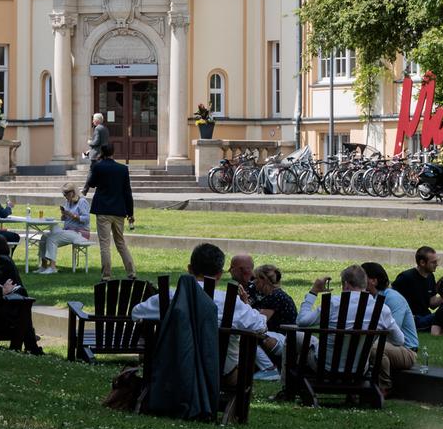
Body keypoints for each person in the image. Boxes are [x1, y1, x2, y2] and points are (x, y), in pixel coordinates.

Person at [131, 243, 282, 375]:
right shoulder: (229, 301)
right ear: (219, 274)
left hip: (174, 369)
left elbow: (136, 313)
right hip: (220, 372)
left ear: (190, 269)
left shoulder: (169, 297)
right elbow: (260, 326)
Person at [299, 266, 411, 395]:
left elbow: (302, 321)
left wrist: (313, 291)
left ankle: (287, 388)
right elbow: (399, 340)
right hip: (359, 369)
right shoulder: (381, 309)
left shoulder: (332, 303)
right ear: (365, 284)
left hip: (324, 367)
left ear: (346, 284)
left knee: (296, 338)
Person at [84, 141, 135, 279]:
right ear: (113, 152)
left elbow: (92, 183)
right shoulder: (122, 169)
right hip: (119, 210)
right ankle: (131, 272)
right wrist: (130, 213)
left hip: (103, 210)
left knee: (105, 244)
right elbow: (127, 192)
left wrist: (96, 165)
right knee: (121, 243)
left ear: (102, 152)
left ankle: (106, 275)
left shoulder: (98, 167)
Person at [362, 261, 421, 356]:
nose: (359, 281)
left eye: (362, 278)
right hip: (385, 344)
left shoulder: (393, 298)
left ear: (373, 281)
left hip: (406, 348)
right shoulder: (370, 298)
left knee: (369, 348)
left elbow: (393, 334)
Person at [35, 184, 91, 275]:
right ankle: (44, 266)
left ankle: (52, 267)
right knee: (44, 237)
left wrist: (72, 215)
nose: (65, 196)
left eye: (66, 194)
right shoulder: (68, 202)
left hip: (80, 233)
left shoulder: (82, 202)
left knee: (52, 238)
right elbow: (66, 219)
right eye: (64, 194)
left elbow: (86, 219)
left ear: (73, 192)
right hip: (68, 231)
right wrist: (64, 216)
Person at [394, 245, 443, 328]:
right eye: (433, 262)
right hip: (413, 319)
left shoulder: (430, 276)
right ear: (422, 263)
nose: (436, 264)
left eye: (436, 261)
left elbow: (432, 303)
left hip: (425, 316)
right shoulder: (406, 277)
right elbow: (391, 297)